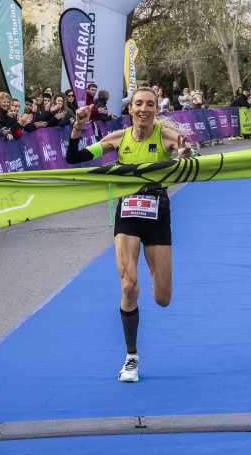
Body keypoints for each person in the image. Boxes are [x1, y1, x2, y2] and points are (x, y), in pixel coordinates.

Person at [66, 88, 189, 383]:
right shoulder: (118, 139)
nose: (144, 109)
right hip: (129, 212)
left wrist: (185, 153)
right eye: (138, 104)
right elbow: (74, 157)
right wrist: (77, 127)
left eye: (149, 104)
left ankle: (151, 265)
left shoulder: (166, 134)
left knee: (162, 298)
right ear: (130, 109)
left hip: (158, 212)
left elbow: (184, 152)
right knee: (129, 285)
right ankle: (131, 356)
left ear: (155, 109)